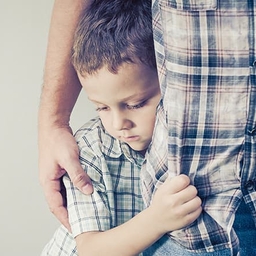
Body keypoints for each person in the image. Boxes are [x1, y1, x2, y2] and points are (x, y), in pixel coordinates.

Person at [39, 0, 256, 255]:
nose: (119, 124)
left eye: (136, 104)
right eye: (102, 108)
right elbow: (90, 250)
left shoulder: (174, 141)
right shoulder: (88, 152)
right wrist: (157, 219)